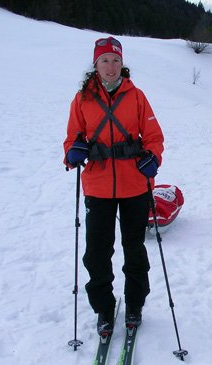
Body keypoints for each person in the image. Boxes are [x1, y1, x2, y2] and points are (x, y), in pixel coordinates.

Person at [63, 36, 164, 337]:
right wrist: (72, 154)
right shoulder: (82, 99)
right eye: (104, 60)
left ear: (123, 64)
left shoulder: (137, 97)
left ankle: (134, 303)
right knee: (96, 252)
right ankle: (104, 308)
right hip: (98, 186)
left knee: (134, 249)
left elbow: (154, 136)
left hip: (135, 184)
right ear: (95, 65)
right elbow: (71, 139)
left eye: (116, 60)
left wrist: (153, 157)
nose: (110, 66)